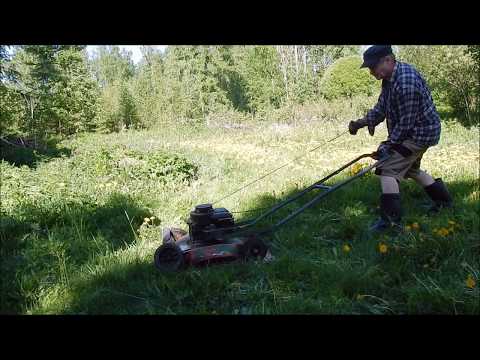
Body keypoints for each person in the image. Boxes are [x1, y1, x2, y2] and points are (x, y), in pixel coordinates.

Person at [348, 45, 453, 232]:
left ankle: (390, 222)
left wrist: (387, 147)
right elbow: (381, 108)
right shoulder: (389, 79)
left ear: (388, 60)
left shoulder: (406, 82)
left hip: (420, 133)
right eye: (370, 68)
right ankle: (444, 203)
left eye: (373, 67)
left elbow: (406, 124)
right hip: (413, 131)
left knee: (387, 168)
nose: (371, 72)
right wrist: (360, 123)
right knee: (410, 169)